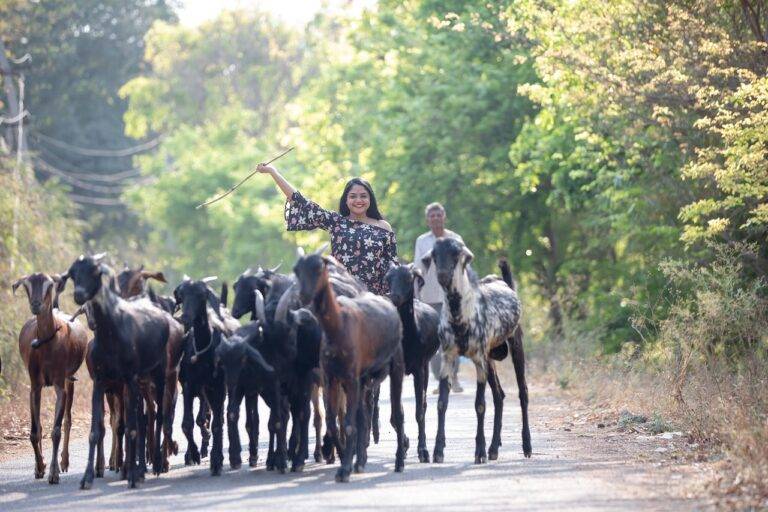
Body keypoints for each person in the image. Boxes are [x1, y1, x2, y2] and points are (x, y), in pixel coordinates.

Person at [257, 163, 397, 295]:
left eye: (363, 196)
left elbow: (392, 266)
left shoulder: (383, 227)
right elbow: (300, 202)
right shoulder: (336, 222)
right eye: (353, 196)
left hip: (375, 298)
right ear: (346, 200)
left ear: (370, 199)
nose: (358, 200)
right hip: (341, 294)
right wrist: (273, 172)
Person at [414, 202, 464, 393]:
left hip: (453, 296)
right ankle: (441, 379)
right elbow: (419, 267)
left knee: (452, 336)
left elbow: (463, 265)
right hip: (430, 296)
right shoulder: (422, 241)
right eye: (432, 216)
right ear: (427, 220)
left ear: (444, 217)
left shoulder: (455, 238)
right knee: (434, 338)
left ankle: (455, 377)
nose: (435, 218)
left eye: (438, 215)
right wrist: (416, 295)